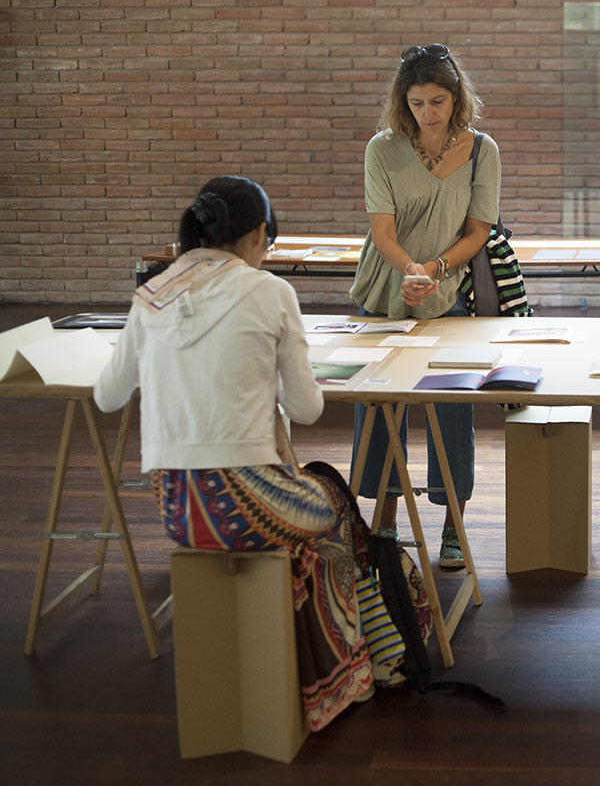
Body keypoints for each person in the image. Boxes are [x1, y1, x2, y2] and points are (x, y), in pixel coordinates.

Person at [93, 176, 403, 729]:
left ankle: (365, 662)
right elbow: (306, 409)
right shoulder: (269, 292)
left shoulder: (151, 295)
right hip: (242, 505)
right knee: (335, 503)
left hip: (179, 510)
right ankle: (366, 666)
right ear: (260, 234)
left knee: (320, 512)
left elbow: (108, 395)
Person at [349, 43, 499, 567]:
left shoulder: (483, 149)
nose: (428, 114)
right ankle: (385, 524)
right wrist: (410, 271)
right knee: (381, 406)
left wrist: (433, 271)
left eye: (438, 101)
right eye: (416, 103)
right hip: (386, 289)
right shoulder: (382, 149)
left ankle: (453, 529)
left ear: (457, 98)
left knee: (452, 408)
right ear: (402, 102)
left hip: (449, 291)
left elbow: (479, 230)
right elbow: (382, 231)